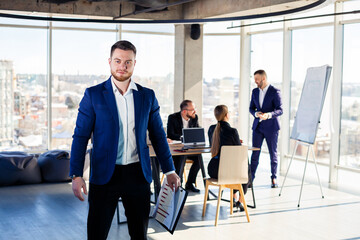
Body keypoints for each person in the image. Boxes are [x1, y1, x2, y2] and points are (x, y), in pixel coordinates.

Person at [69, 40, 180, 240]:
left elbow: (158, 136)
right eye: (118, 61)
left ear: (134, 63)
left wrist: (170, 169)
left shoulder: (147, 96)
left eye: (127, 62)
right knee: (96, 234)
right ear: (110, 62)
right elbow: (80, 136)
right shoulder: (93, 95)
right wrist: (76, 174)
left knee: (139, 235)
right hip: (104, 176)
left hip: (138, 175)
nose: (122, 66)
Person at [207, 105, 248, 211]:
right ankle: (240, 200)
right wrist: (237, 141)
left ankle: (234, 198)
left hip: (213, 170)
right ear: (226, 115)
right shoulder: (232, 131)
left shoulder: (212, 129)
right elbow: (238, 152)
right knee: (246, 169)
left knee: (235, 170)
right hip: (226, 172)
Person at [249, 69, 283, 188]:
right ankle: (250, 178)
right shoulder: (254, 92)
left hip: (271, 127)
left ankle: (274, 178)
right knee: (254, 154)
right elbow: (251, 108)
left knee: (272, 154)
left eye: (257, 80)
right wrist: (256, 114)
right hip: (258, 127)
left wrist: (268, 115)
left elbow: (280, 110)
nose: (255, 82)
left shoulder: (275, 91)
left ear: (263, 78)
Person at [166, 100, 201, 193]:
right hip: (177, 149)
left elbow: (197, 132)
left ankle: (190, 183)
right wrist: (184, 137)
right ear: (184, 111)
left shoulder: (194, 117)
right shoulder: (173, 118)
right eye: (192, 110)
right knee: (181, 157)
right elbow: (170, 134)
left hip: (189, 148)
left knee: (199, 158)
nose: (195, 112)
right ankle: (178, 183)